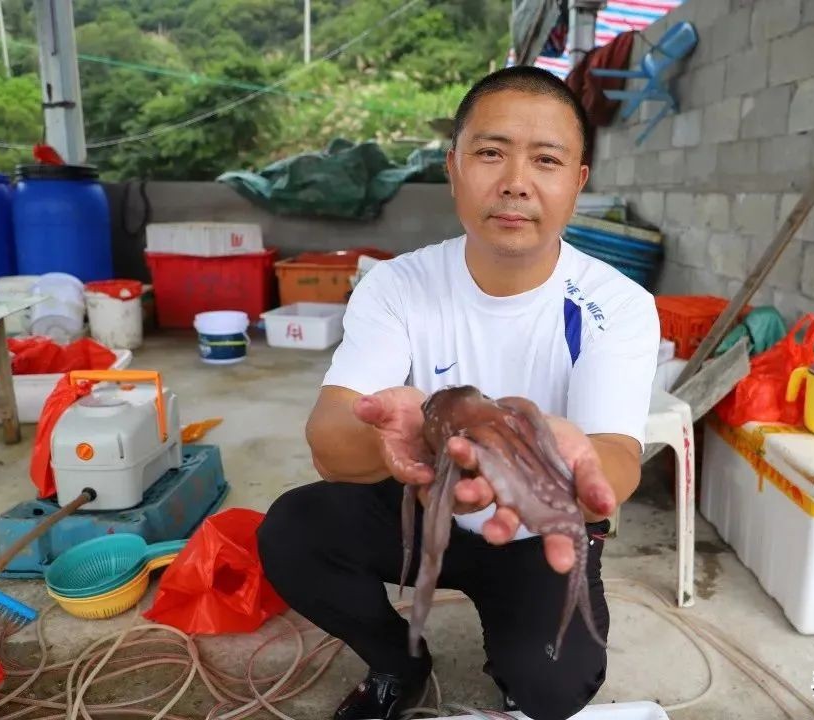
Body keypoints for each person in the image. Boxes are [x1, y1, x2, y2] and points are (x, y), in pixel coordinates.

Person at [257, 65, 660, 720]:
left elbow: (614, 456)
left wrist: (567, 463)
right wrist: (405, 437)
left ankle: (512, 662)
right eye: (491, 153)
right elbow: (330, 443)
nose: (515, 182)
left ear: (578, 182)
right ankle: (397, 660)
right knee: (292, 533)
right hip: (420, 500)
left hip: (533, 522)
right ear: (453, 168)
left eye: (547, 160)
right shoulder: (397, 286)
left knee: (552, 686)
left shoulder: (618, 305)